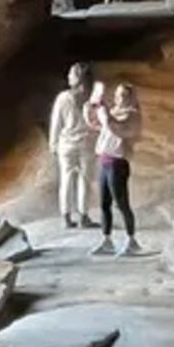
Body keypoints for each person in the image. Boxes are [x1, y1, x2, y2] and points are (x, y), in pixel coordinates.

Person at [85, 81, 144, 256]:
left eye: (124, 95)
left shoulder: (132, 115)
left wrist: (103, 112)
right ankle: (106, 240)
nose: (119, 98)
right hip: (104, 161)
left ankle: (132, 240)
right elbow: (97, 124)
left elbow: (115, 128)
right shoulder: (113, 112)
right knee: (104, 203)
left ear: (131, 97)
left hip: (118, 164)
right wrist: (91, 108)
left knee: (121, 203)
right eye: (117, 95)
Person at [48, 62, 98, 229]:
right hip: (86, 143)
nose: (68, 77)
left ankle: (66, 217)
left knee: (66, 179)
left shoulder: (63, 98)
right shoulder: (92, 97)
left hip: (66, 144)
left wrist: (53, 144)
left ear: (78, 78)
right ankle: (84, 216)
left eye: (71, 74)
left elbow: (56, 123)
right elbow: (97, 122)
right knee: (85, 180)